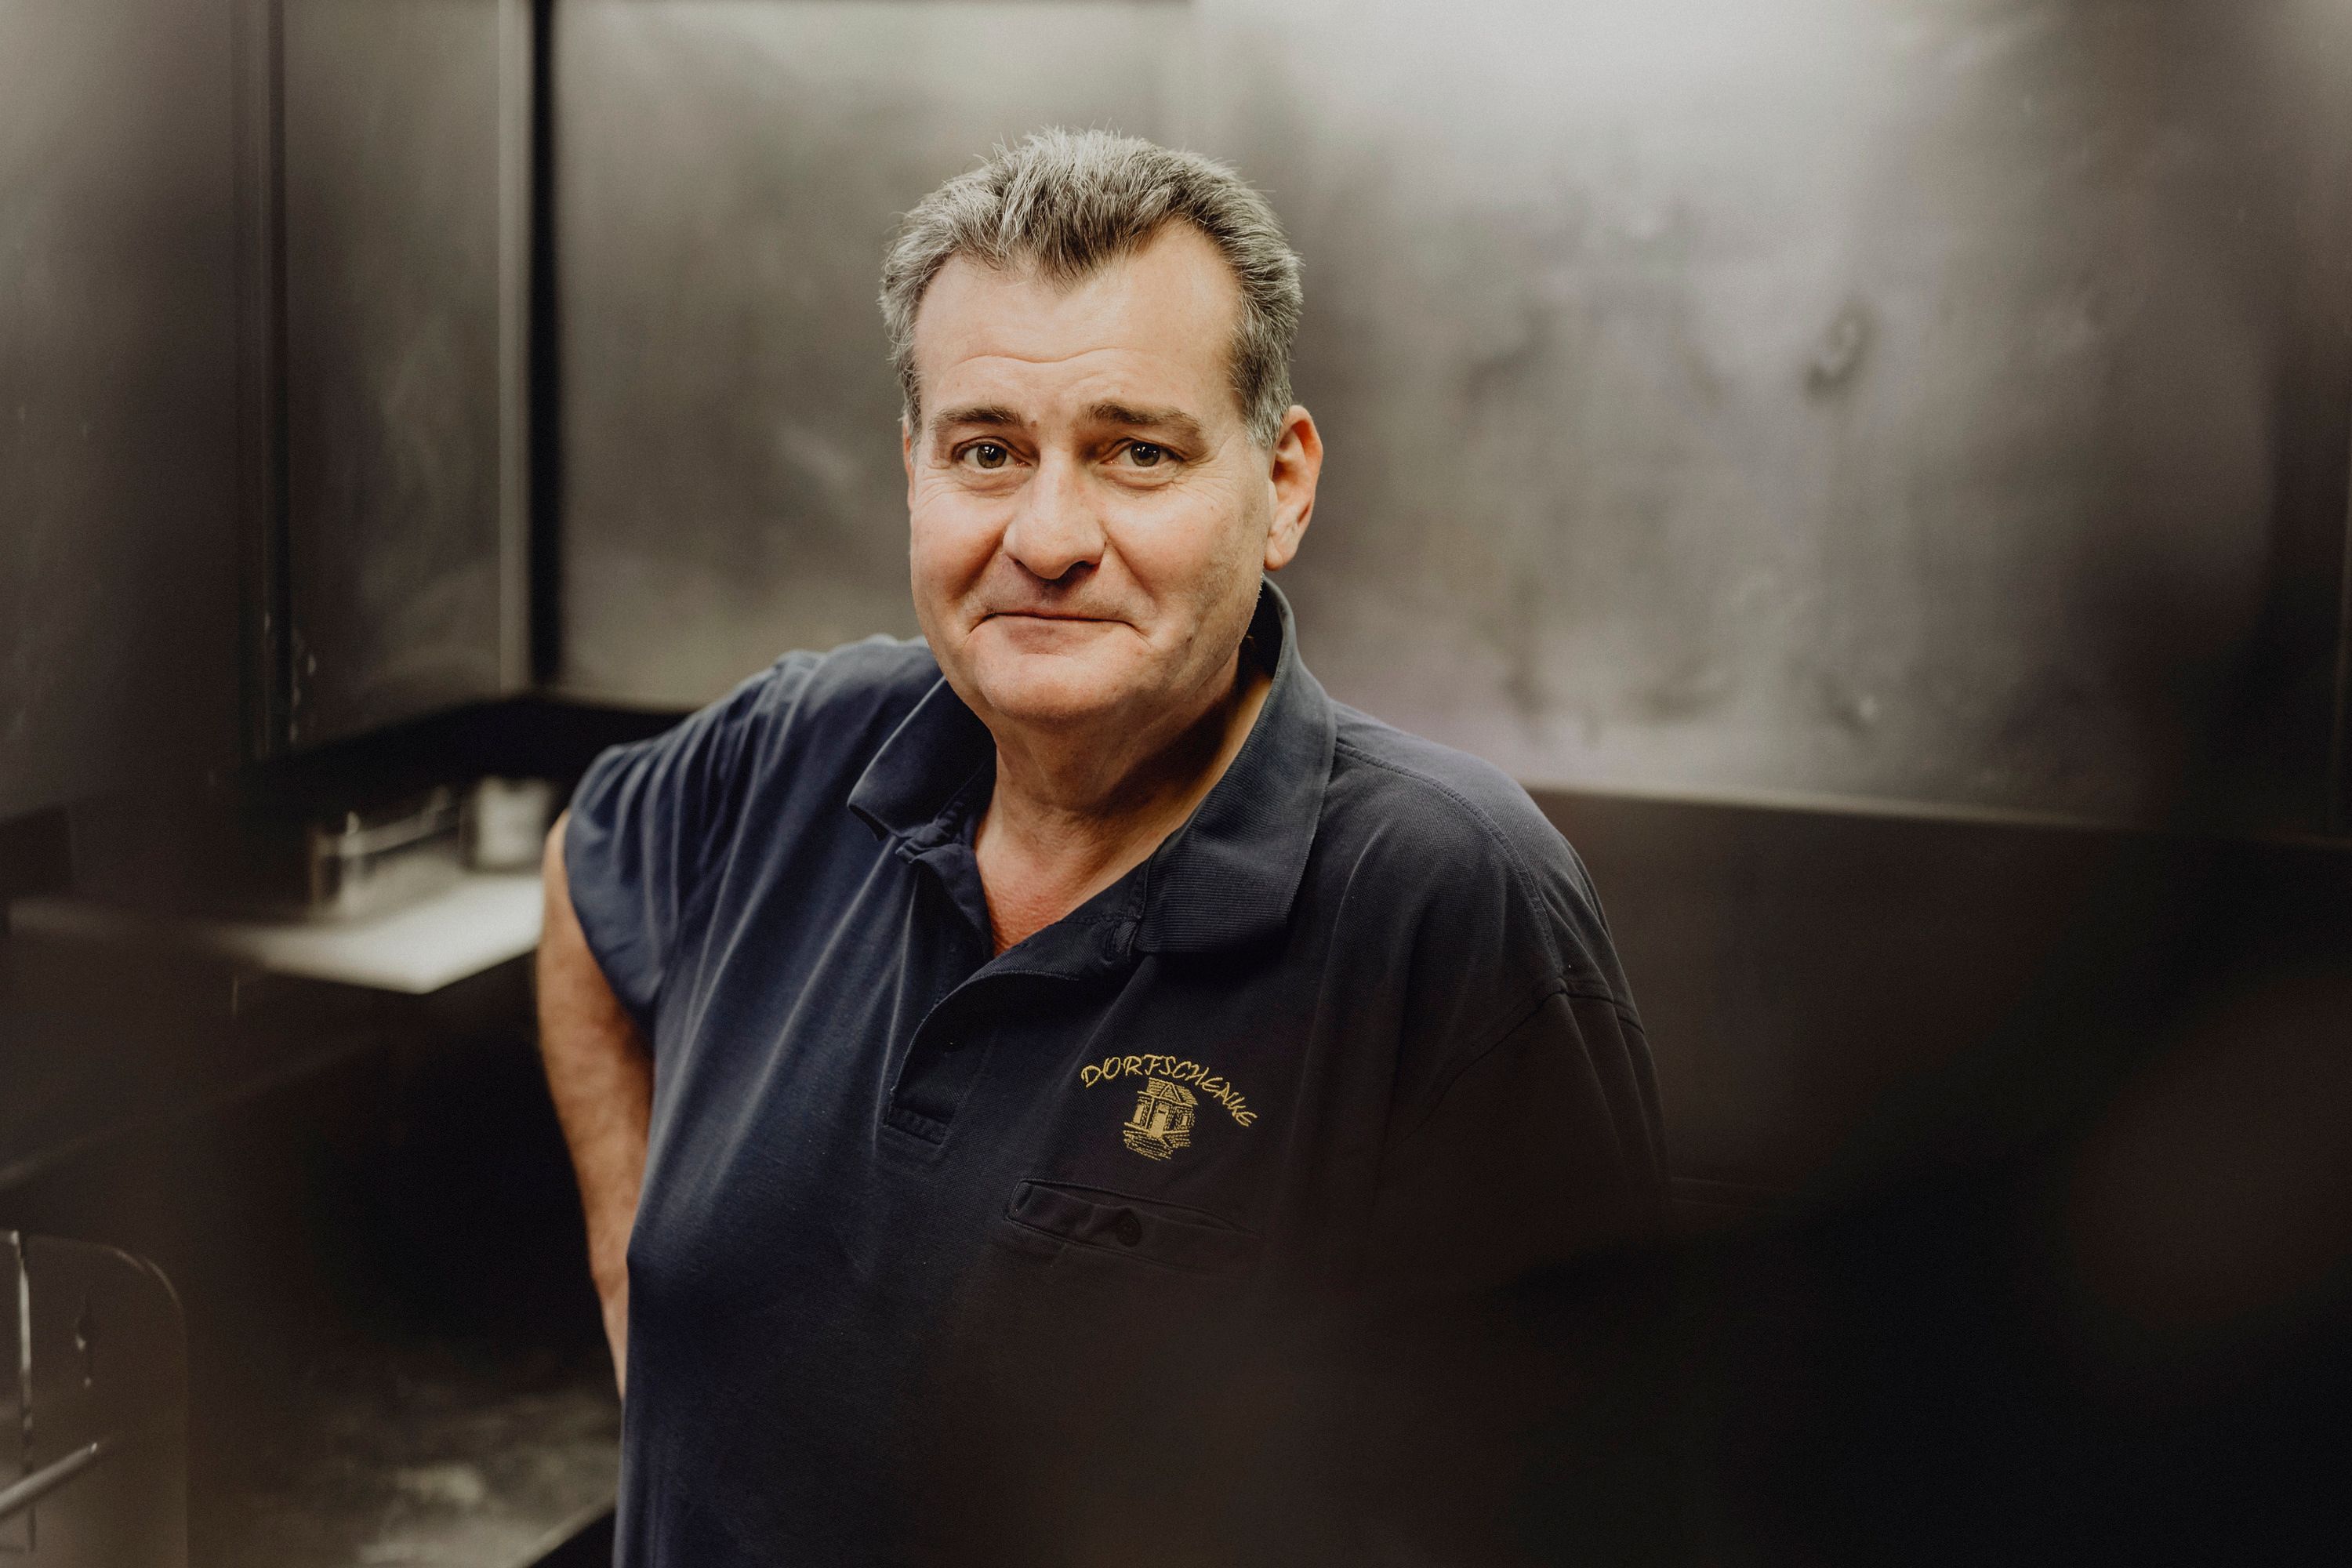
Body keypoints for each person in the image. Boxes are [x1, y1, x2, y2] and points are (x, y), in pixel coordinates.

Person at [536, 127, 1665, 1566]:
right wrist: (629, 1267)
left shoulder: (1452, 902)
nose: (1049, 534)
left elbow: (1588, 1497)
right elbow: (588, 862)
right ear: (913, 472)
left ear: (1284, 484)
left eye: (1137, 452)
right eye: (987, 452)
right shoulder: (794, 746)